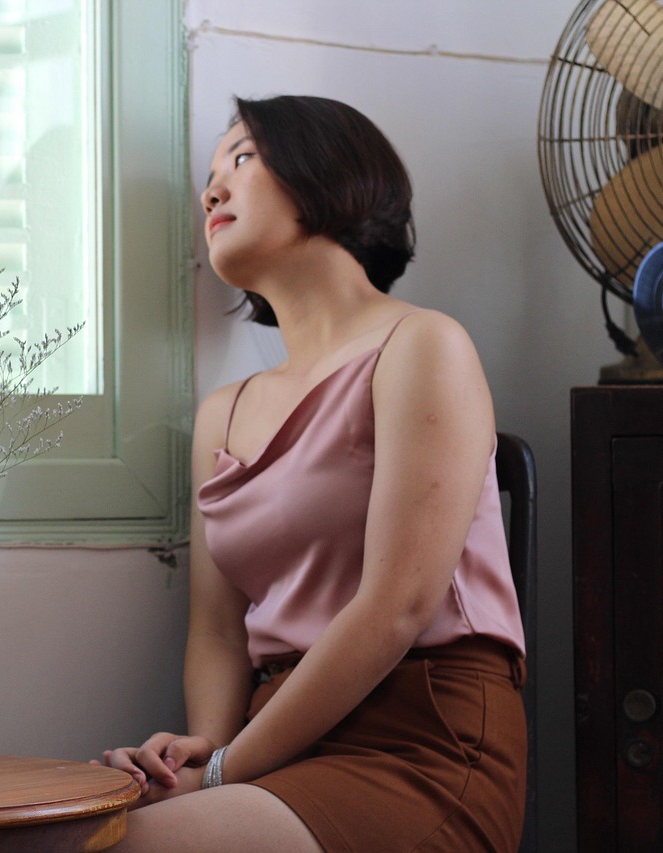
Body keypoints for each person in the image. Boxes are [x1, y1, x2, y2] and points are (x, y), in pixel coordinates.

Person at [97, 95, 527, 852]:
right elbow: (218, 631)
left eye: (242, 157)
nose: (212, 191)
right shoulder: (223, 413)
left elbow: (398, 607)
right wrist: (204, 749)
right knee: (74, 834)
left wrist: (225, 771)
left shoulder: (424, 344)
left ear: (327, 173)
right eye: (210, 175)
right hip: (274, 739)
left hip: (422, 739)